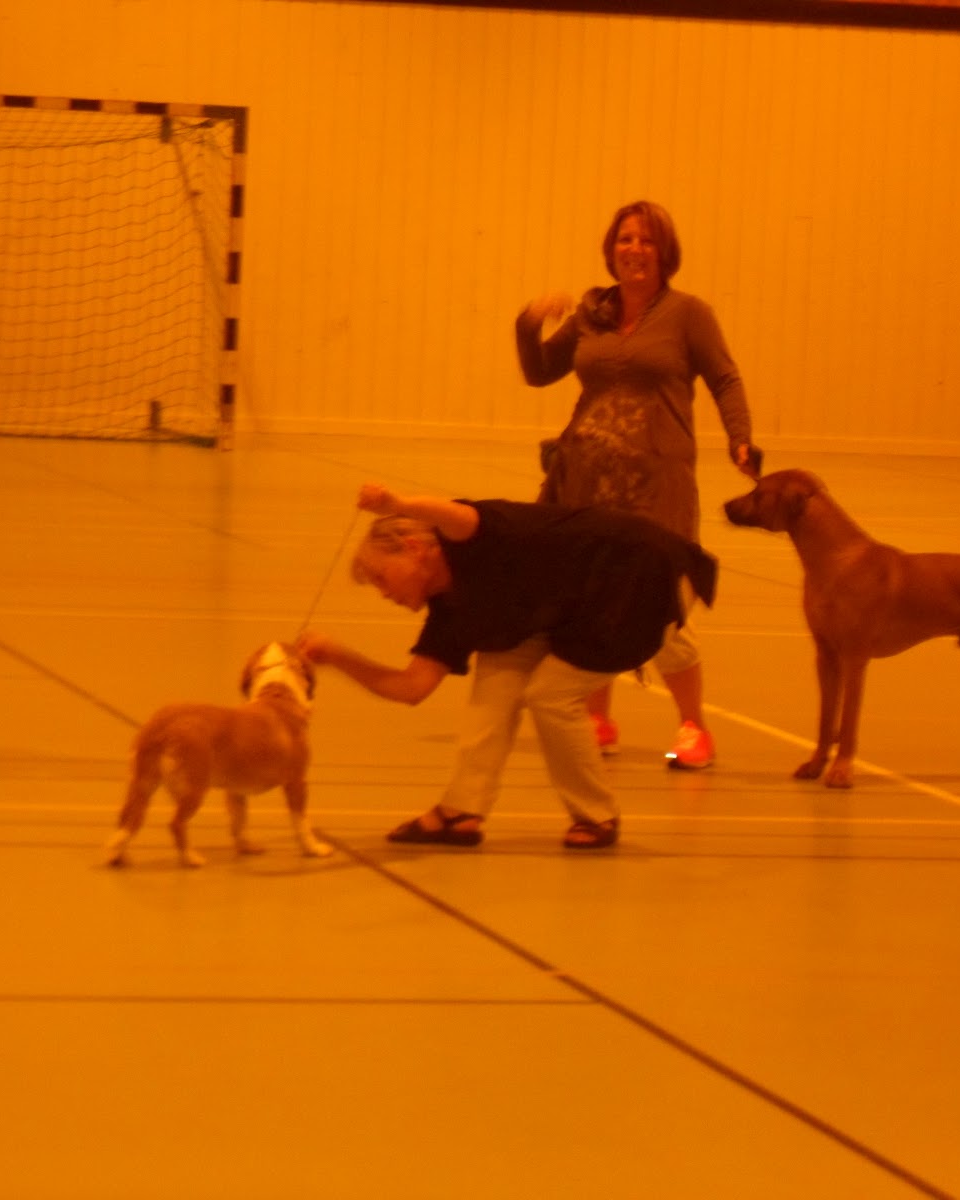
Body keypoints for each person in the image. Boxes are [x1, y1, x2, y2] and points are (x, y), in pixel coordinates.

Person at [298, 483, 717, 850]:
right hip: (574, 608)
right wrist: (336, 655)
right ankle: (461, 810)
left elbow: (454, 513)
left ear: (413, 548)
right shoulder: (451, 611)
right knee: (496, 681)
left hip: (639, 576)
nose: (383, 593)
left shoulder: (465, 537)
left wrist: (396, 503)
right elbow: (412, 688)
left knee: (550, 695)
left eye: (381, 578)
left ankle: (597, 816)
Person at [516, 199, 759, 770]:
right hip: (586, 482)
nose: (635, 250)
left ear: (664, 253)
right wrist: (528, 323)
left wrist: (740, 439)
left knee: (662, 609)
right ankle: (597, 719)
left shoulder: (688, 315)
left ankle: (693, 727)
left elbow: (725, 378)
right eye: (625, 239)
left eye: (647, 240)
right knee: (590, 602)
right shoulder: (592, 313)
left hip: (657, 486)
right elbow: (540, 371)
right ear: (611, 249)